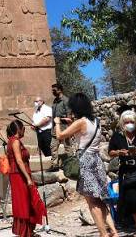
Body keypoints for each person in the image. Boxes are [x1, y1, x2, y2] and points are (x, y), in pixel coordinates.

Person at [56, 93, 117, 237]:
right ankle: (114, 232)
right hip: (97, 160)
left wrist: (57, 123)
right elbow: (84, 134)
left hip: (85, 161)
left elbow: (60, 136)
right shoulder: (95, 120)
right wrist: (72, 123)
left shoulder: (80, 122)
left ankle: (103, 234)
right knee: (100, 200)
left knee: (92, 201)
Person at [7, 120, 46, 237]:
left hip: (20, 174)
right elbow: (19, 161)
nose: (25, 130)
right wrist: (28, 178)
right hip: (19, 175)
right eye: (23, 128)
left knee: (27, 201)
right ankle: (25, 232)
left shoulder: (14, 141)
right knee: (23, 202)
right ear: (19, 129)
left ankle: (29, 231)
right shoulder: (15, 141)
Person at [50, 84, 73, 173]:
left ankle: (71, 165)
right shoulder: (55, 101)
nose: (52, 92)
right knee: (53, 146)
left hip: (64, 128)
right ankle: (54, 165)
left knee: (67, 147)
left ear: (60, 90)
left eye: (54, 90)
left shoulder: (66, 101)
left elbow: (69, 118)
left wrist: (60, 119)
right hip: (55, 128)